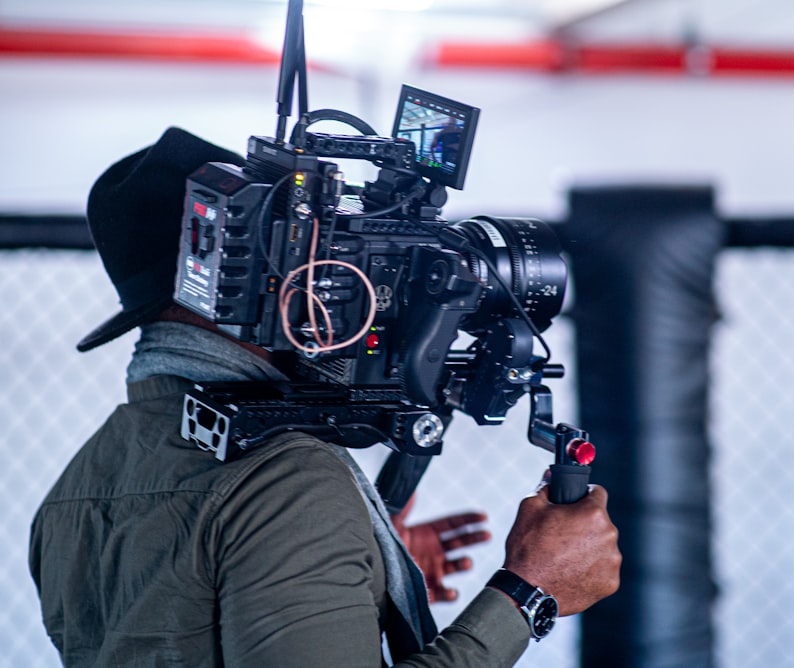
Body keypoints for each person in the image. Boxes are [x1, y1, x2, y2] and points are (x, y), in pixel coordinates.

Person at [28, 127, 621, 666]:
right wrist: (529, 593)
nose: (321, 274)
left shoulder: (72, 492)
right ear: (239, 279)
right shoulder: (284, 484)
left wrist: (346, 564)